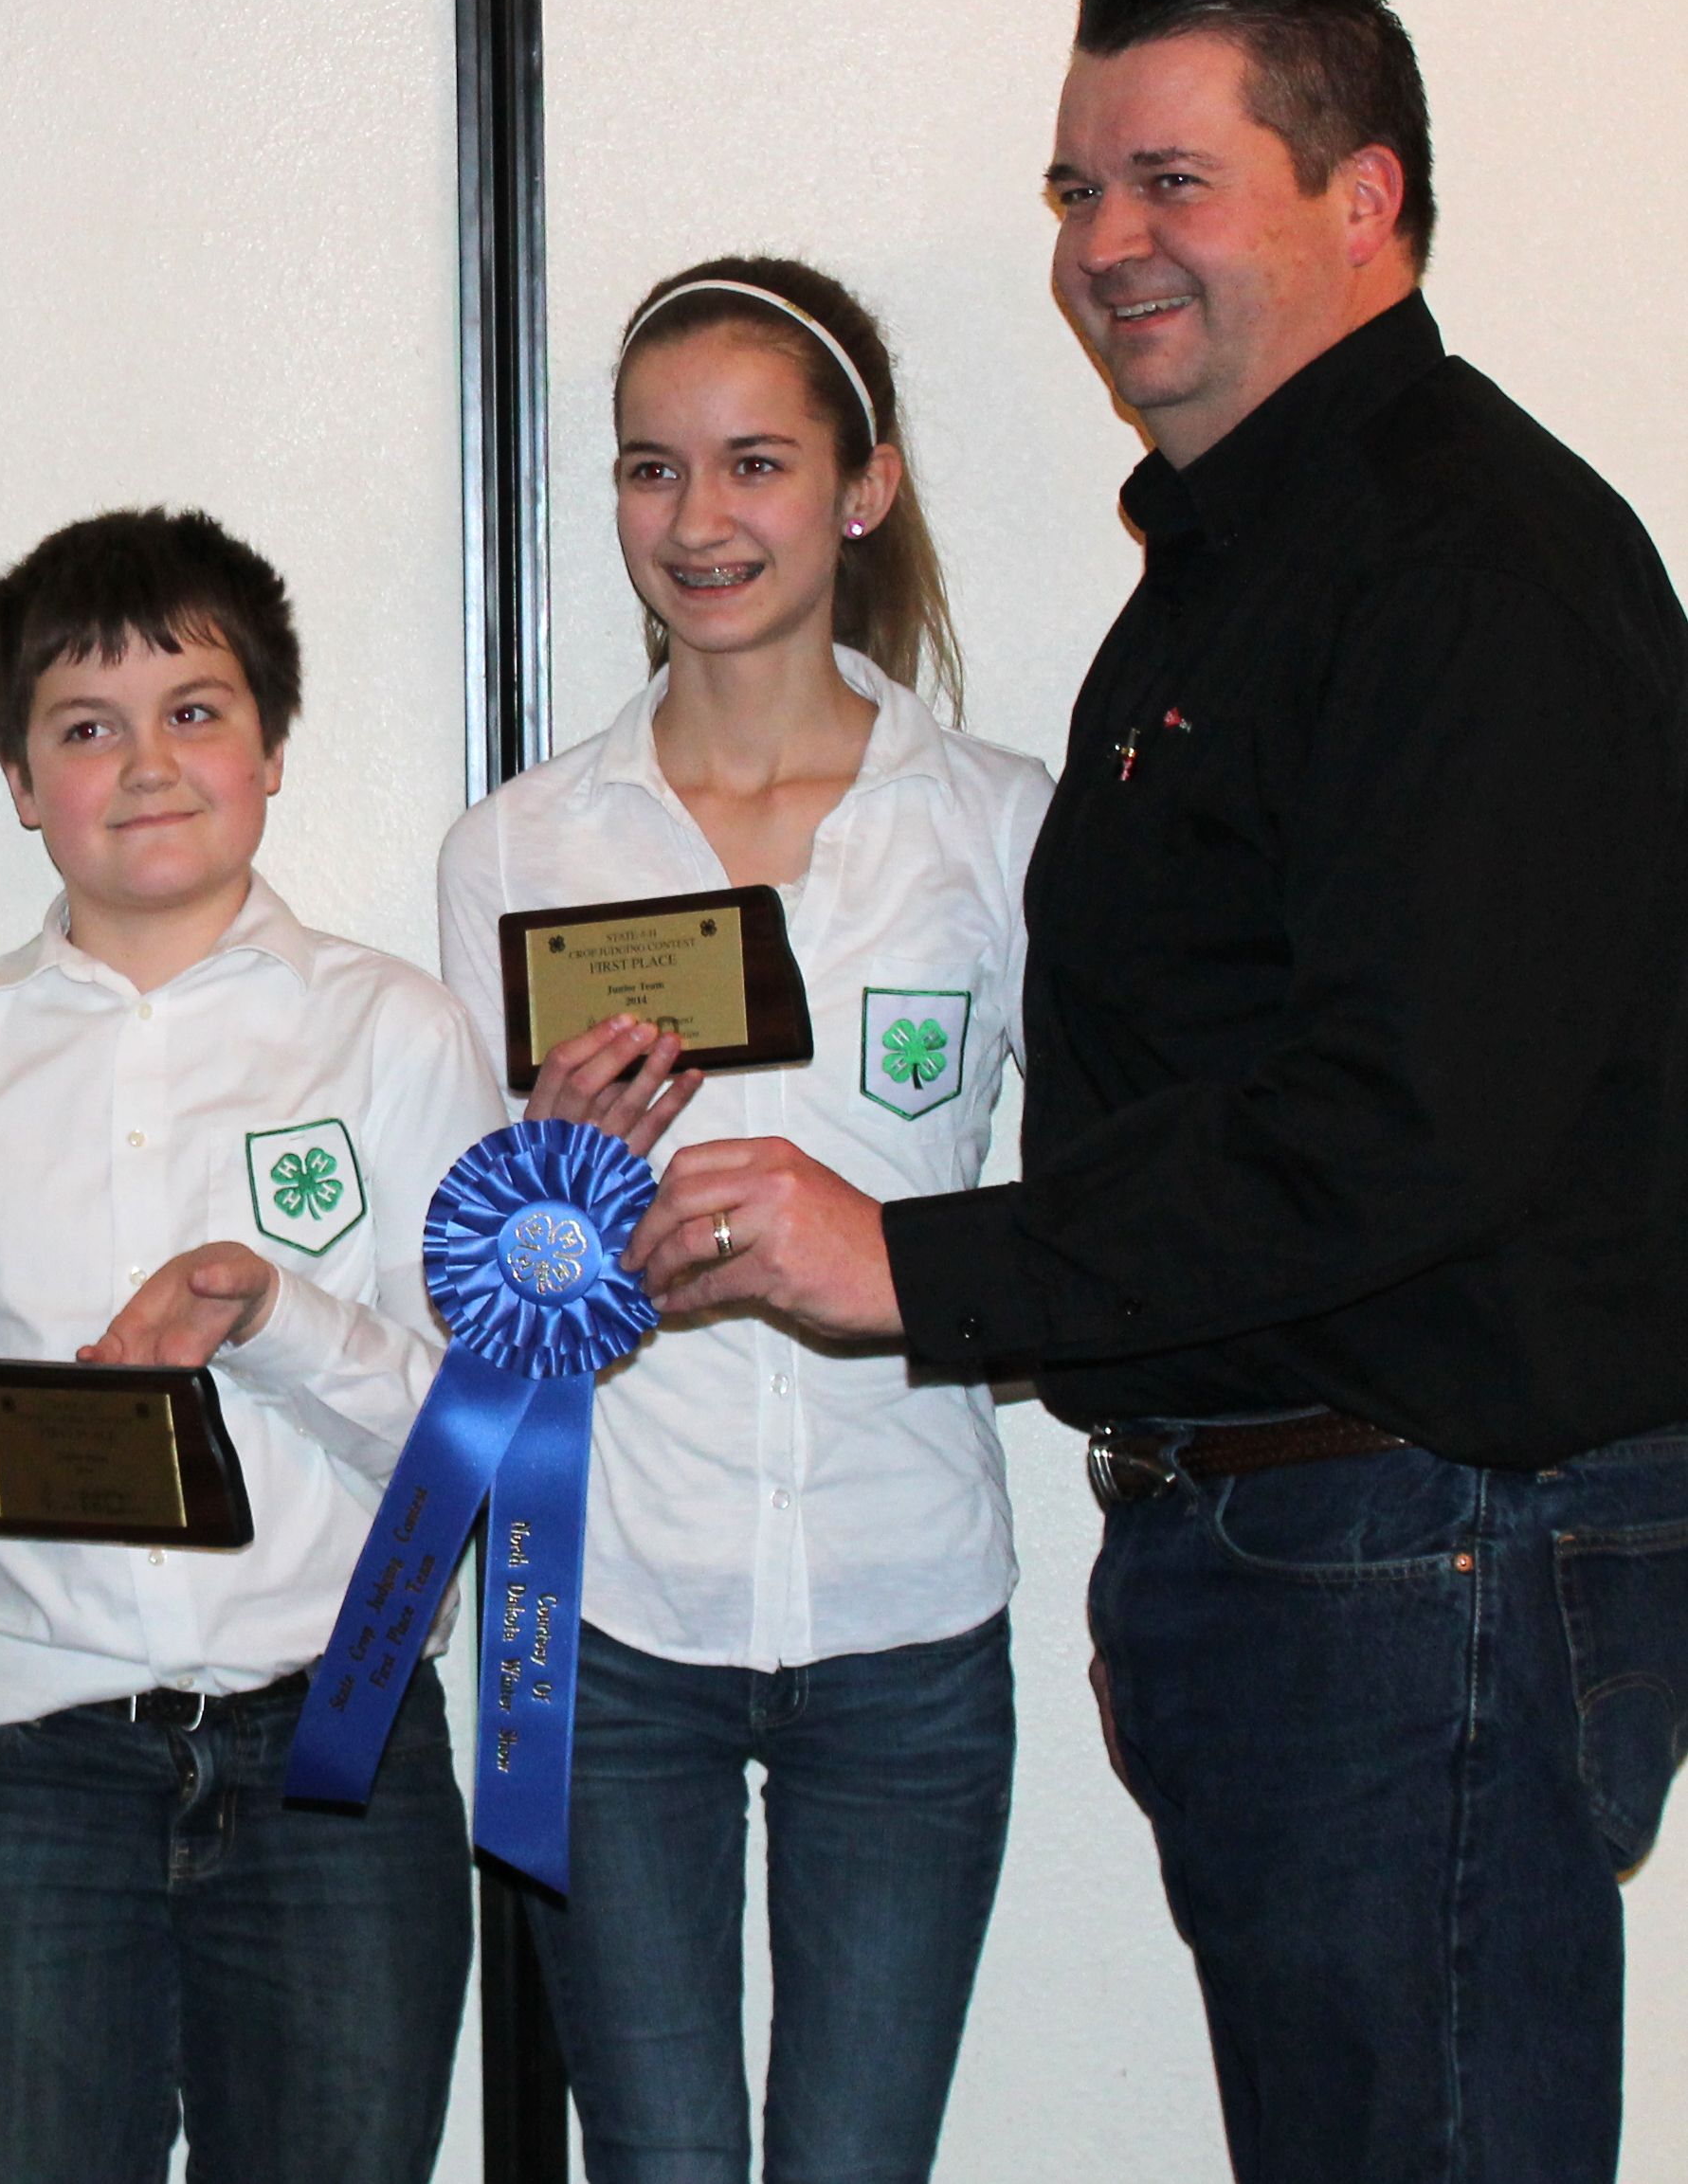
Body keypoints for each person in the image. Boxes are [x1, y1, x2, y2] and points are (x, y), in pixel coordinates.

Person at [626, 0, 1688, 2184]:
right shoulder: (1235, 569)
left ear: (1365, 196)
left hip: (1428, 1551)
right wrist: (1183, 1528)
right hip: (1300, 1542)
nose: (1105, 243)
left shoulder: (1465, 568)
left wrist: (916, 1260)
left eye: (1173, 178)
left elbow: (1405, 1122)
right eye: (1074, 185)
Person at [0, 507, 500, 2184]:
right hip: (21, 1780)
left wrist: (279, 1319)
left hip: (341, 1749)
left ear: (267, 748)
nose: (147, 763)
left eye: (195, 709)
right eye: (84, 726)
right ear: (23, 785)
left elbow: (487, 1441)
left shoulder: (392, 1033)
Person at [438, 257, 1050, 2183]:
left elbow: (1094, 1227)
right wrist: (538, 1178)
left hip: (909, 1611)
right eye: (649, 469)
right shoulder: (520, 845)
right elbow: (453, 1280)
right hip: (604, 1615)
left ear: (863, 485)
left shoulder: (1004, 827)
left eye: (755, 464)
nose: (697, 522)